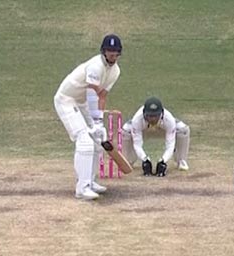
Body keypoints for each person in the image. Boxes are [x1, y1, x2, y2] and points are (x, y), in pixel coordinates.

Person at [54, 34, 122, 200]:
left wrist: (99, 122)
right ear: (104, 51)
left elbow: (102, 96)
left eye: (115, 53)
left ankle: (90, 182)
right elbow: (92, 92)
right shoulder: (95, 66)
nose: (112, 55)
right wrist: (96, 120)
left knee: (97, 140)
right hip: (66, 100)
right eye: (109, 52)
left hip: (82, 101)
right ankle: (82, 188)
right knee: (84, 139)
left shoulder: (115, 71)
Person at [121, 97, 191, 176]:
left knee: (183, 129)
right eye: (150, 116)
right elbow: (137, 144)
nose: (153, 119)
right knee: (126, 130)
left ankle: (181, 160)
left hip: (162, 130)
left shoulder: (169, 119)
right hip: (144, 130)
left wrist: (163, 161)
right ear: (144, 113)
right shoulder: (137, 120)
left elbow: (170, 145)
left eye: (155, 115)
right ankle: (128, 161)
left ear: (161, 113)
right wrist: (145, 159)